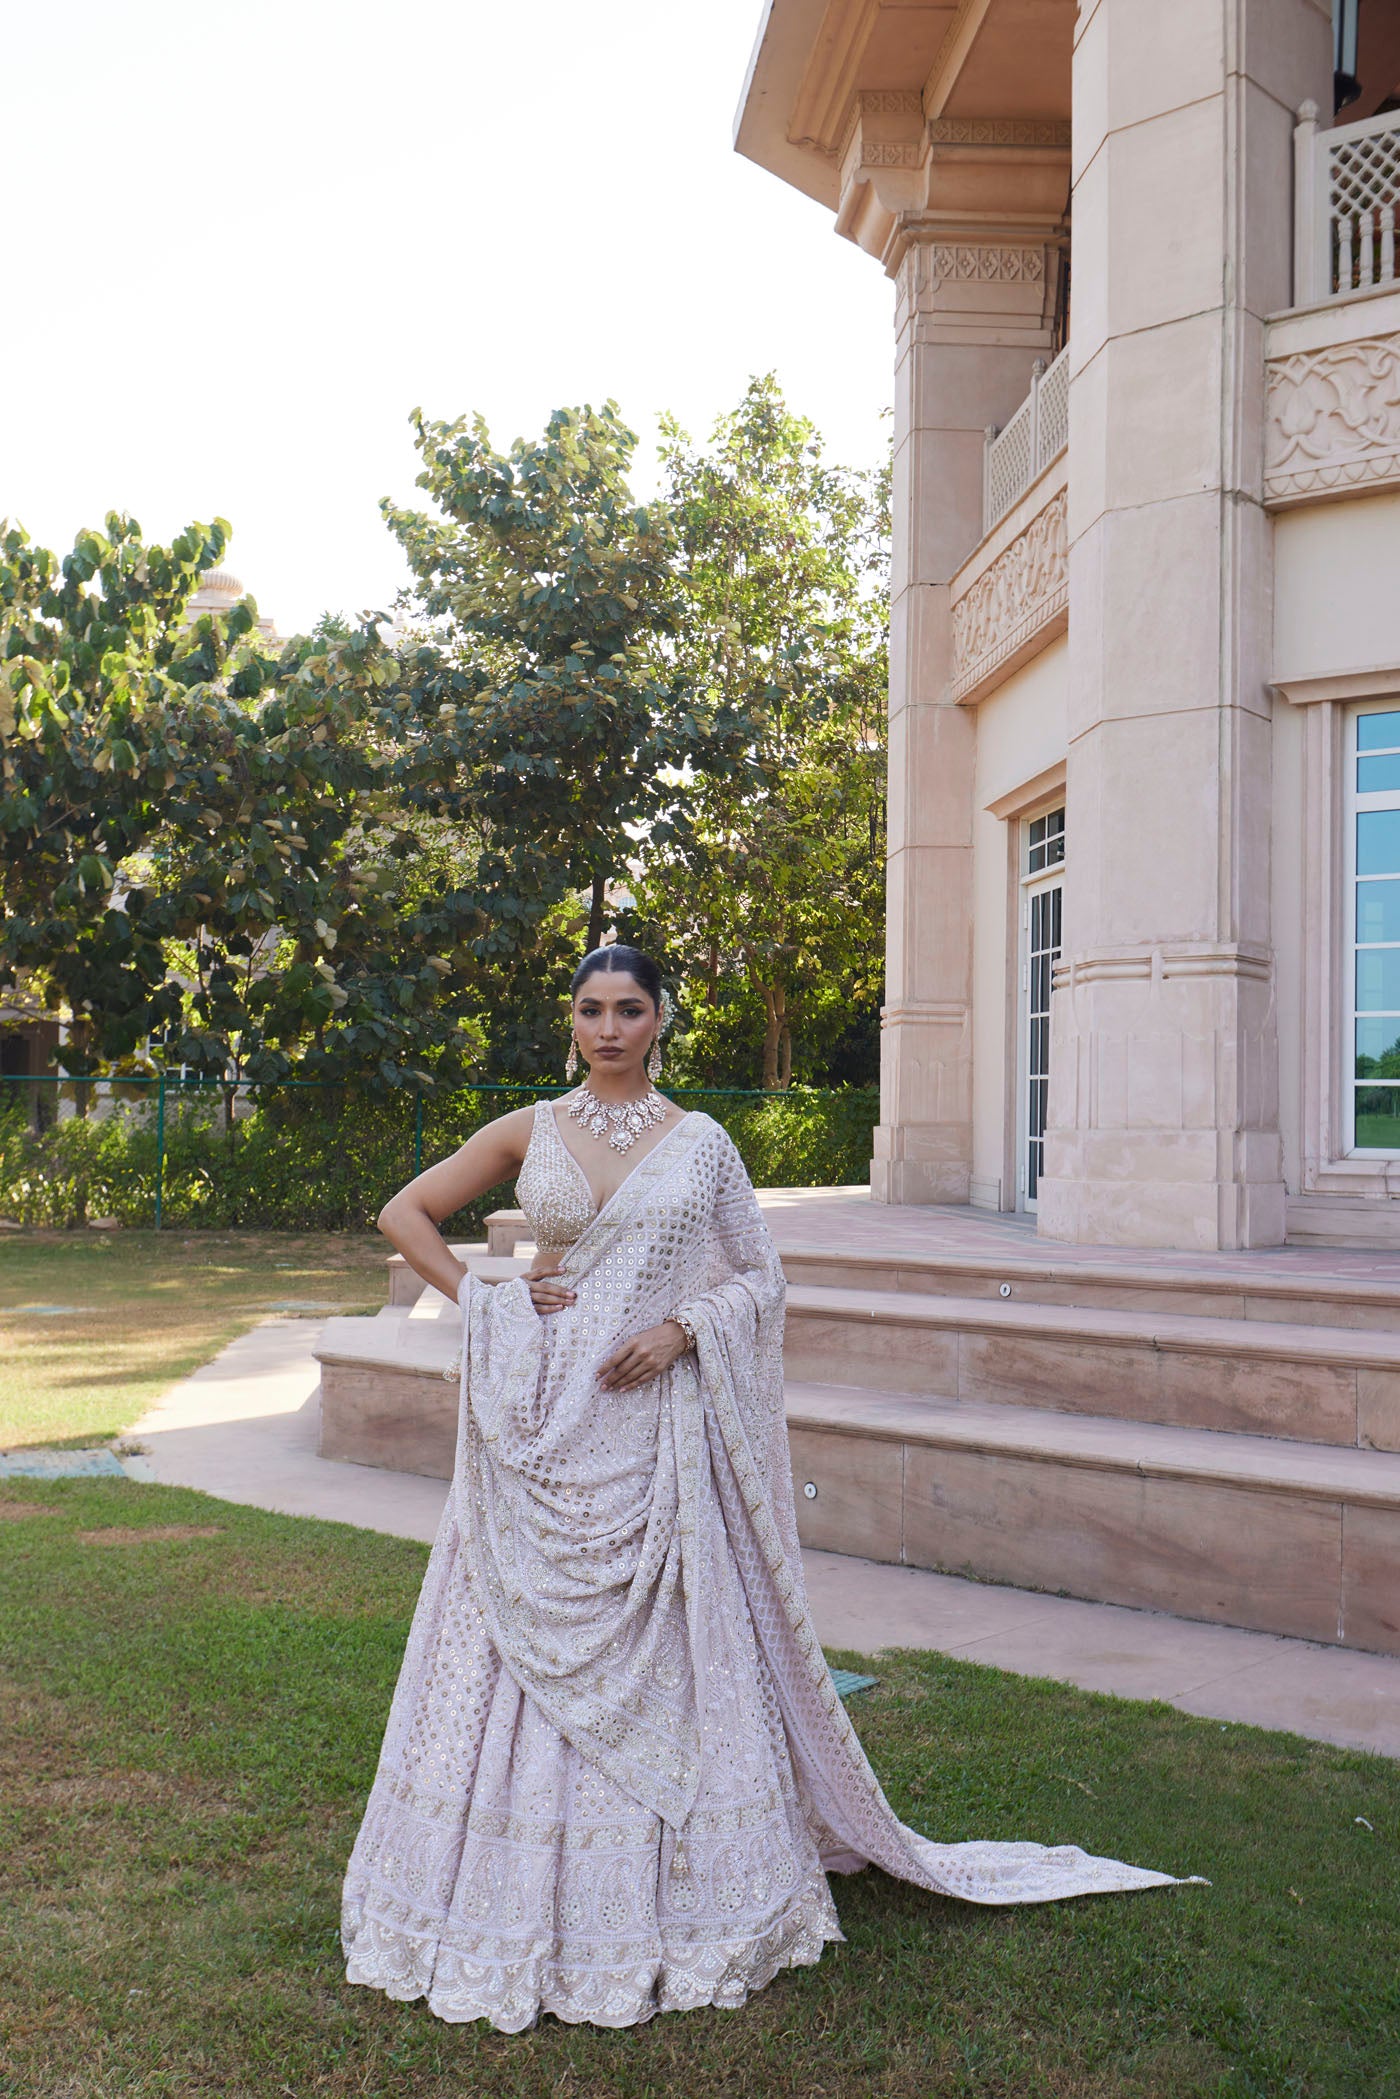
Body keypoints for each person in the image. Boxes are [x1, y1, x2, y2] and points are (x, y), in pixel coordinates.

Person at [341, 945, 1199, 2033]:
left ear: (660, 1021)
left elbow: (760, 1275)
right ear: (572, 1019)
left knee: (659, 1643)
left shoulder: (700, 1145)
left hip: (652, 1425)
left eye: (629, 1009)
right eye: (590, 1008)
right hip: (544, 1418)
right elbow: (404, 1211)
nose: (608, 1027)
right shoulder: (529, 1126)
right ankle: (500, 1890)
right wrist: (490, 1296)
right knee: (509, 1639)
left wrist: (680, 1328)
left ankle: (671, 1890)